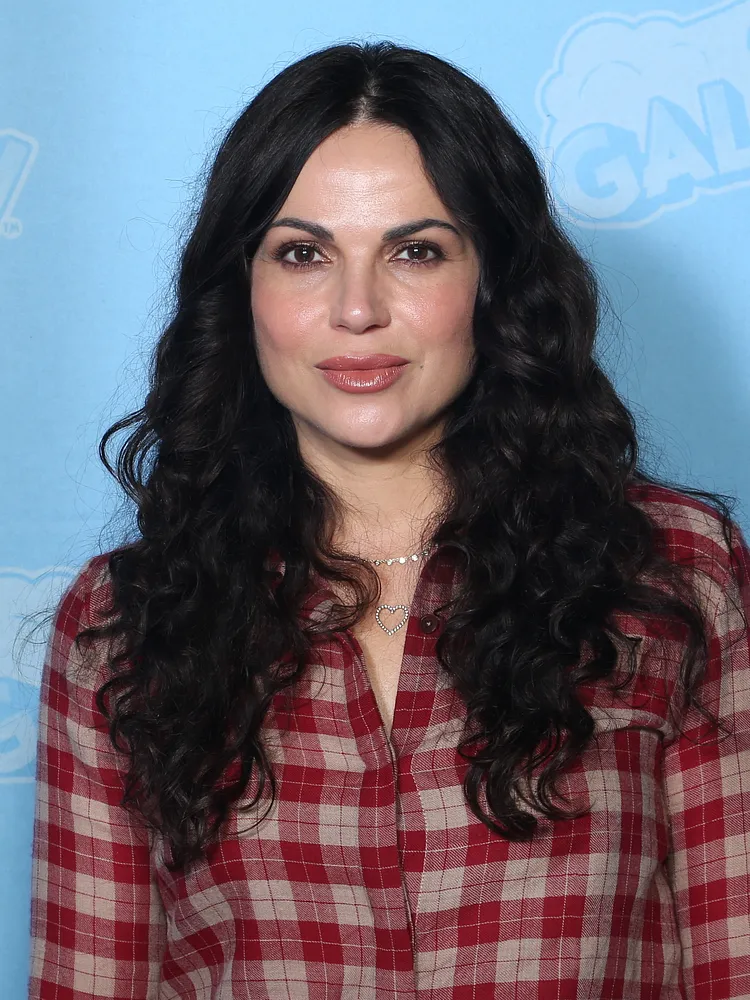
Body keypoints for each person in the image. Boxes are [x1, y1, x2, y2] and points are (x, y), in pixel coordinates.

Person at [28, 39, 750, 1000]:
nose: (357, 308)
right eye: (303, 254)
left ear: (492, 281)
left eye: (415, 251)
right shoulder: (122, 626)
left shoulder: (673, 574)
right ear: (241, 289)